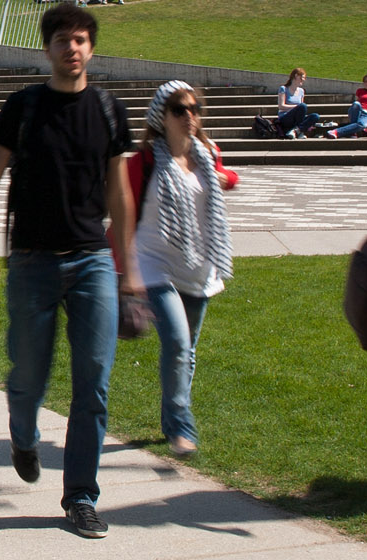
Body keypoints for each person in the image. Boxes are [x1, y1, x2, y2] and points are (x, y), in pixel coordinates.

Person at [0, 3, 136, 539]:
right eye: (63, 39)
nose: (73, 47)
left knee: (94, 383)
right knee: (27, 374)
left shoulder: (109, 110)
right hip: (34, 262)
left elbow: (120, 192)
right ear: (48, 48)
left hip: (91, 261)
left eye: (82, 39)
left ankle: (81, 497)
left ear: (92, 48)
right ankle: (23, 432)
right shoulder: (22, 108)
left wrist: (127, 269)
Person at [128, 81, 234, 459]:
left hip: (199, 266)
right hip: (154, 264)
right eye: (180, 110)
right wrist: (122, 272)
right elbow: (122, 214)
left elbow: (227, 177)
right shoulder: (144, 162)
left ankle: (169, 418)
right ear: (162, 116)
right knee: (176, 342)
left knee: (186, 352)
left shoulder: (208, 153)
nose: (190, 116)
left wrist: (227, 179)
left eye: (195, 109)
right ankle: (180, 428)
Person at [273, 70, 319, 137]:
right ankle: (299, 132)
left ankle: (296, 130)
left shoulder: (301, 91)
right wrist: (296, 107)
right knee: (302, 106)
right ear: (296, 76)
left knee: (315, 116)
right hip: (285, 117)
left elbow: (301, 111)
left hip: (297, 119)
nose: (303, 80)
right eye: (302, 77)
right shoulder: (283, 89)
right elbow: (281, 106)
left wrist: (299, 107)